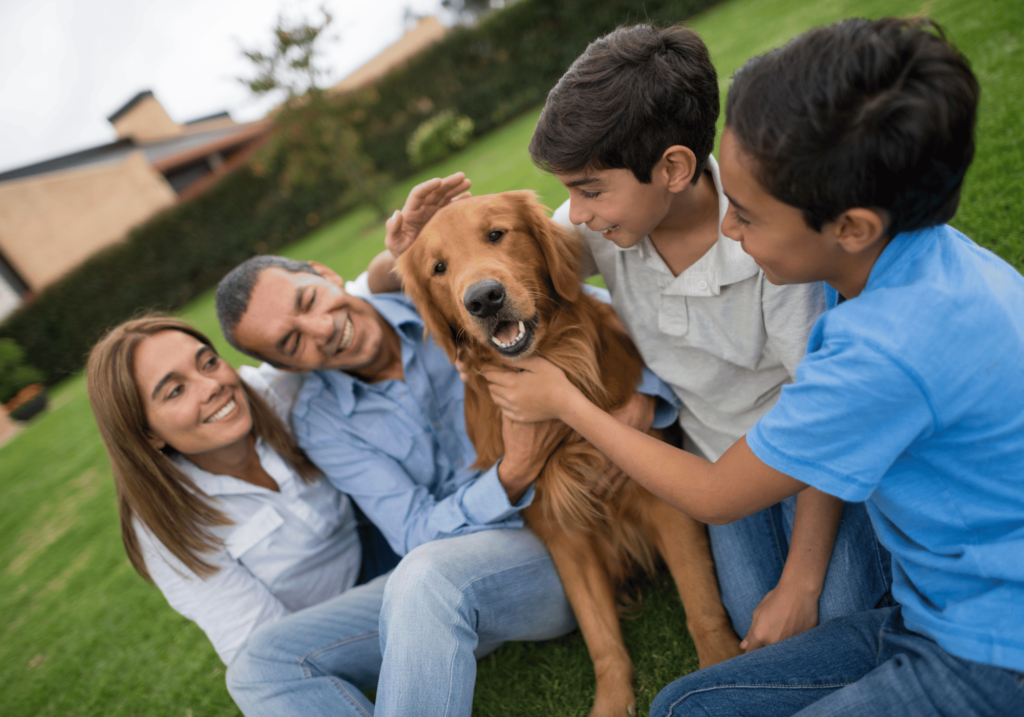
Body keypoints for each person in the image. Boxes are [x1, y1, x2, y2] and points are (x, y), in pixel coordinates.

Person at [484, 17, 1024, 716]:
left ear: (852, 227)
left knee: (816, 612)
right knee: (687, 702)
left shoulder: (876, 346)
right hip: (934, 605)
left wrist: (566, 403)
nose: (730, 231)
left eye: (746, 214)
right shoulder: (914, 262)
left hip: (990, 645)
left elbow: (715, 494)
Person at [213, 175, 677, 716]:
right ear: (286, 367)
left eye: (309, 300)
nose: (321, 328)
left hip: (569, 525)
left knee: (425, 576)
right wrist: (515, 471)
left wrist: (646, 397)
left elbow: (585, 313)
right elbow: (412, 532)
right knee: (265, 657)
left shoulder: (454, 294)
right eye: (291, 342)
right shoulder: (321, 422)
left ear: (325, 274)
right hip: (495, 548)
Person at [523, 22, 890, 651]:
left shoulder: (774, 250)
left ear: (671, 168)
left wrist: (801, 582)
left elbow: (827, 422)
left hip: (807, 455)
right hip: (714, 460)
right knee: (753, 619)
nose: (575, 215)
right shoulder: (607, 225)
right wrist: (397, 260)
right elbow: (507, 267)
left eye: (588, 190)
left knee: (831, 612)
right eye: (569, 194)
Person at [86, 315, 397, 671]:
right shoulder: (166, 521)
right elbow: (261, 647)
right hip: (332, 618)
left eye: (209, 363)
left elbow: (351, 310)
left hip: (386, 530)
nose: (211, 386)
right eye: (176, 390)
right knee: (253, 677)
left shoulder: (272, 392)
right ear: (149, 435)